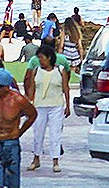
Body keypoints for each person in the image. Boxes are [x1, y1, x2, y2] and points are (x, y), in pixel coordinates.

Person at [22, 45, 72, 173]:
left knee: (55, 133)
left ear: (49, 58)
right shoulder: (36, 70)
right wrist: (29, 103)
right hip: (39, 105)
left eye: (41, 57)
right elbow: (32, 87)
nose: (40, 60)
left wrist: (67, 105)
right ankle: (36, 158)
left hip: (56, 105)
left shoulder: (60, 70)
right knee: (38, 133)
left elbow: (66, 88)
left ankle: (55, 160)